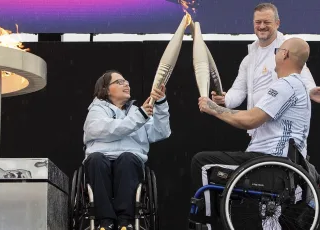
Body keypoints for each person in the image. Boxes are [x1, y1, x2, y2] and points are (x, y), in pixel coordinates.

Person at [192, 37, 312, 229]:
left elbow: (250, 120)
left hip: (271, 165)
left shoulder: (286, 86)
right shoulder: (296, 86)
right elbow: (250, 114)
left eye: (277, 51)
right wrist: (218, 106)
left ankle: (207, 225)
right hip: (281, 165)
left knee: (202, 163)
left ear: (284, 54)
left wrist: (213, 109)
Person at [212, 3, 320, 136]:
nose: (262, 26)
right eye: (258, 22)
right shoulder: (249, 59)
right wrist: (226, 99)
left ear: (277, 23)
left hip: (282, 132)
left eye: (267, 22)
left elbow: (301, 72)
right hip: (258, 132)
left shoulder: (286, 50)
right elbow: (239, 90)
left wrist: (311, 90)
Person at [83, 70, 171, 230]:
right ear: (106, 90)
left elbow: (161, 132)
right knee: (97, 159)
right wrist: (140, 116)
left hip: (130, 162)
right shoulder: (97, 110)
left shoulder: (138, 112)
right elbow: (104, 130)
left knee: (127, 159)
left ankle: (125, 222)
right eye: (119, 82)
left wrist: (160, 103)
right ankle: (106, 222)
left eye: (126, 81)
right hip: (100, 161)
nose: (126, 84)